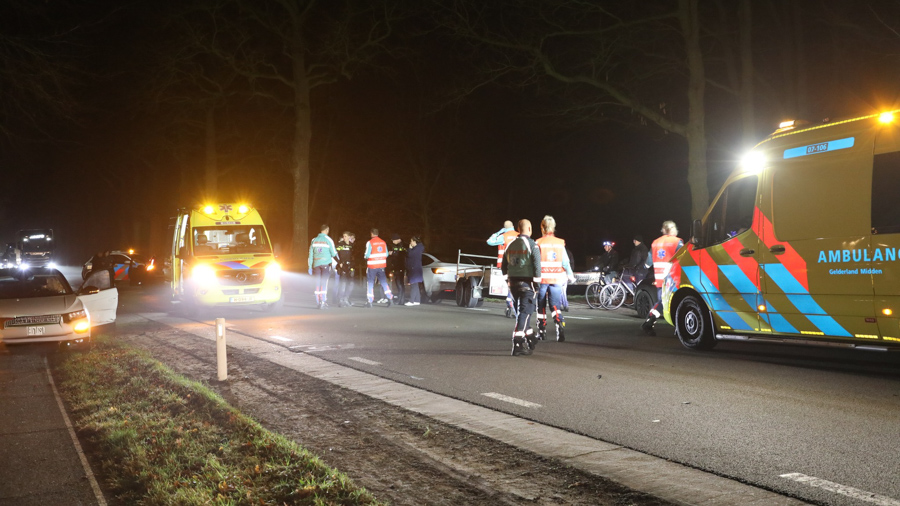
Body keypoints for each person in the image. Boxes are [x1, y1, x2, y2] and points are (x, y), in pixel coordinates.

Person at [501, 219, 541, 356]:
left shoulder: (510, 245)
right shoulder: (532, 245)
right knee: (526, 311)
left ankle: (530, 336)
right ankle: (517, 342)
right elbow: (537, 265)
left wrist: (508, 279)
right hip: (527, 282)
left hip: (513, 283)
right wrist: (537, 284)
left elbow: (503, 266)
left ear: (518, 229)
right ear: (529, 229)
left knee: (522, 312)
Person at [534, 216, 576, 342]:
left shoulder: (538, 242)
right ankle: (559, 323)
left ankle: (541, 331)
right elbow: (565, 262)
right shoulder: (560, 242)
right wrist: (570, 275)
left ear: (542, 227)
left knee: (540, 306)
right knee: (555, 305)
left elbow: (535, 262)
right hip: (556, 280)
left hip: (542, 280)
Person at [641, 221, 684, 335]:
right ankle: (679, 328)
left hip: (660, 278)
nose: (677, 230)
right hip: (674, 277)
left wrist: (643, 269)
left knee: (662, 301)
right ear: (671, 229)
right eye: (675, 228)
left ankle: (650, 321)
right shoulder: (677, 242)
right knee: (677, 301)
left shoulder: (655, 242)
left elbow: (648, 263)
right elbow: (684, 258)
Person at [487, 220, 520, 318]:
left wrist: (498, 232)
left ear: (504, 228)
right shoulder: (519, 235)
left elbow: (489, 241)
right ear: (513, 226)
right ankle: (512, 305)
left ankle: (509, 302)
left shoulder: (503, 236)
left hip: (504, 265)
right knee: (515, 285)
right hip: (517, 264)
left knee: (510, 284)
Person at [308, 224, 338, 309]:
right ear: (327, 230)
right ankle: (323, 302)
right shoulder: (328, 239)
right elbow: (334, 253)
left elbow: (310, 254)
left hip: (316, 264)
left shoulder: (314, 240)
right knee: (324, 283)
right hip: (325, 264)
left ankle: (318, 302)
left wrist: (310, 266)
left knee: (317, 283)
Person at [364, 228, 393, 307]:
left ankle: (370, 301)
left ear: (371, 234)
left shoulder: (370, 242)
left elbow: (366, 255)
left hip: (372, 266)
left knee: (370, 283)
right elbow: (386, 254)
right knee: (384, 282)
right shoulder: (383, 242)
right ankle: (390, 298)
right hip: (381, 266)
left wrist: (366, 257)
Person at [335, 231, 356, 307]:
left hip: (350, 267)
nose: (344, 238)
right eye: (343, 236)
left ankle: (346, 299)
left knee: (351, 284)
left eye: (346, 236)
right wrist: (339, 262)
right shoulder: (340, 245)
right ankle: (340, 300)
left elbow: (354, 256)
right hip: (343, 267)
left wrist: (353, 265)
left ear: (349, 237)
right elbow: (334, 253)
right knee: (343, 284)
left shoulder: (352, 245)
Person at [405, 236, 426, 306]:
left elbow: (410, 255)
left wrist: (410, 249)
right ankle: (417, 300)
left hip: (414, 269)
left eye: (411, 241)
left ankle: (411, 301)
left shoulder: (416, 249)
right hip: (415, 268)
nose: (410, 243)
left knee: (413, 284)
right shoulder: (418, 248)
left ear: (414, 241)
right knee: (415, 285)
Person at [387, 233, 408, 305]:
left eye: (393, 240)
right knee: (398, 283)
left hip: (400, 267)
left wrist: (393, 253)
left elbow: (402, 255)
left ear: (398, 239)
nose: (392, 242)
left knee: (400, 283)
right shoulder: (395, 246)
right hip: (395, 267)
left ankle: (401, 300)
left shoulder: (403, 245)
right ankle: (400, 299)